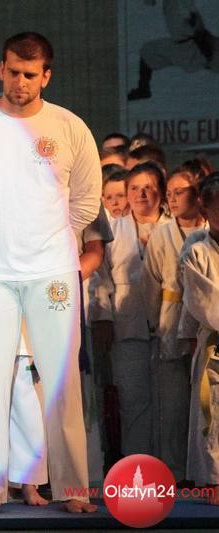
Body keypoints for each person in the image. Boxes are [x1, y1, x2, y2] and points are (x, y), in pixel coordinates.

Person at [0, 32, 101, 514]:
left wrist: (51, 239)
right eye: (12, 72)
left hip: (53, 273)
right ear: (0, 69)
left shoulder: (69, 127)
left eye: (30, 74)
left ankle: (72, 489)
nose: (20, 82)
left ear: (46, 75)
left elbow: (86, 200)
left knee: (62, 382)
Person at [93, 162, 171, 458]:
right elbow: (100, 276)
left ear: (161, 192)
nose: (141, 194)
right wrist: (103, 316)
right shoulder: (114, 229)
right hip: (127, 326)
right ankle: (137, 465)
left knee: (170, 402)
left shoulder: (174, 228)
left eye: (148, 187)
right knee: (132, 401)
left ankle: (172, 467)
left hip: (168, 322)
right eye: (135, 188)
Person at [141, 167, 206, 482]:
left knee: (204, 404)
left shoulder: (210, 231)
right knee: (172, 403)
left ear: (197, 194)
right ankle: (175, 470)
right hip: (170, 317)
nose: (173, 199)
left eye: (180, 192)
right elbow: (149, 283)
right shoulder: (162, 234)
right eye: (169, 194)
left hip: (204, 320)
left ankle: (204, 470)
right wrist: (158, 322)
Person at [180, 172, 219, 506]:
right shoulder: (197, 252)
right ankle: (215, 480)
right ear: (205, 210)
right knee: (213, 416)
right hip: (214, 346)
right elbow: (201, 301)